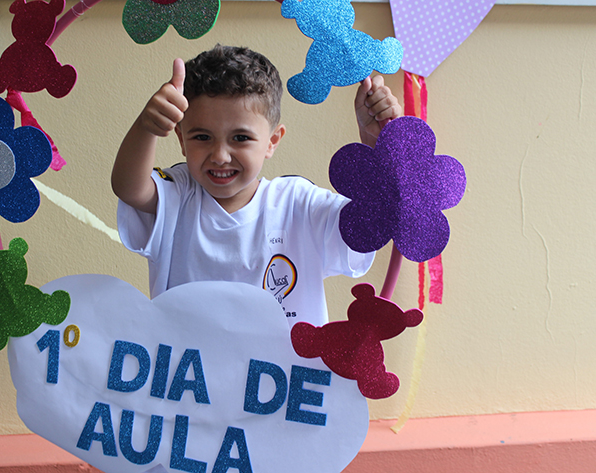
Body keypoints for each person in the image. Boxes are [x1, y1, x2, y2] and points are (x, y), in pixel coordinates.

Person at [112, 44, 401, 327]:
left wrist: (375, 144)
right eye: (202, 137)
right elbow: (129, 188)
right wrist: (147, 128)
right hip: (184, 361)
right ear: (181, 138)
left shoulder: (298, 204)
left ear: (272, 141)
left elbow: (369, 224)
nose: (220, 156)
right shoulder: (178, 192)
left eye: (240, 138)